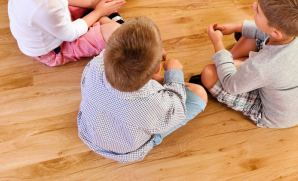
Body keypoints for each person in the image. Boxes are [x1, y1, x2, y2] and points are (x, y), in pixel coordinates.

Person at [194, 0, 298, 128]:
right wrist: (238, 27)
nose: (254, 5)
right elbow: (268, 33)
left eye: (258, 11)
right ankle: (229, 67)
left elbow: (231, 85)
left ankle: (225, 69)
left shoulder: (263, 67)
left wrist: (218, 43)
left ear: (276, 33)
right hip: (297, 93)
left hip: (273, 115)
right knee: (249, 38)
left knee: (209, 73)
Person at [77, 16, 207, 162]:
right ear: (158, 69)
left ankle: (144, 74)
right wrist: (174, 73)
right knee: (200, 94)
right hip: (129, 149)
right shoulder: (154, 103)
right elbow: (176, 111)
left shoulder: (95, 65)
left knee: (108, 22)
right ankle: (152, 140)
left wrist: (151, 55)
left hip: (88, 132)